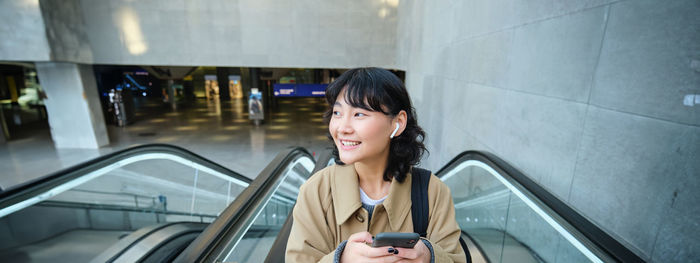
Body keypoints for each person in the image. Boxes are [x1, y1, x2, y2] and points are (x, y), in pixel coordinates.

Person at [286, 68, 465, 263]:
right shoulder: (316, 190)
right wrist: (341, 259)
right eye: (337, 112)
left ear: (397, 123)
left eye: (359, 114)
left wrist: (429, 256)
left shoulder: (433, 191)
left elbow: (455, 258)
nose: (342, 128)